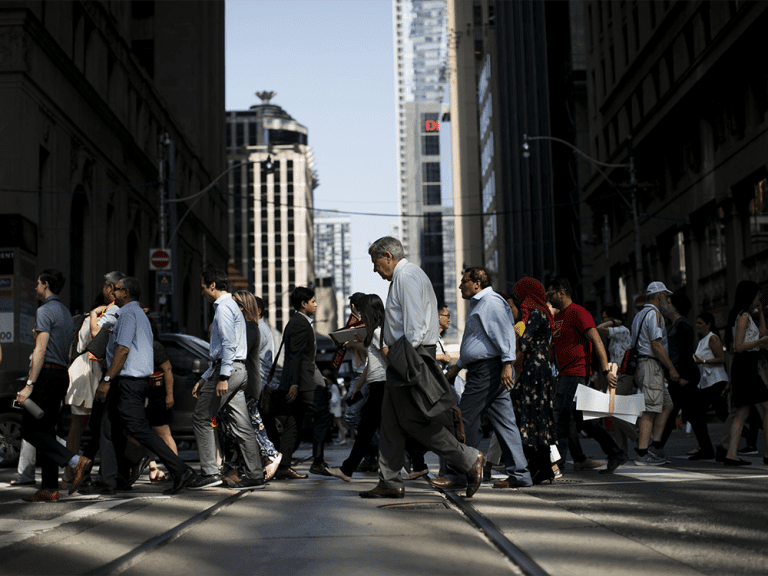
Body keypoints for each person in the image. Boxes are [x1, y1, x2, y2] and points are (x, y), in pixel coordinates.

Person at [359, 237, 483, 499]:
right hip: (405, 354)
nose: (374, 268)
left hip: (409, 354)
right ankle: (390, 481)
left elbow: (414, 328)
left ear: (388, 256)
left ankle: (469, 459)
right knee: (391, 423)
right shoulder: (407, 276)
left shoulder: (407, 277)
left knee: (413, 421)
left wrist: (399, 357)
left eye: (375, 261)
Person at [83, 277, 196, 496]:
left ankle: (181, 470)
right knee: (107, 429)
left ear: (125, 292)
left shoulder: (126, 314)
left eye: (116, 290)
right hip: (128, 382)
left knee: (140, 429)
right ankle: (107, 481)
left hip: (128, 382)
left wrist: (106, 380)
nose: (113, 293)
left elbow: (123, 349)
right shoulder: (140, 315)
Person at [435, 267, 532, 490]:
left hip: (488, 371)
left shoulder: (491, 302)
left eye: (464, 281)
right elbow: (478, 341)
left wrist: (507, 364)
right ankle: (520, 473)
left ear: (477, 282)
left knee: (464, 419)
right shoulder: (480, 304)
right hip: (488, 369)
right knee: (505, 423)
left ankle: (459, 474)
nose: (460, 286)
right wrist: (457, 366)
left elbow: (505, 333)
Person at [16, 269, 90, 502]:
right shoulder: (66, 313)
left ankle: (76, 460)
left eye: (38, 283)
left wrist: (30, 384)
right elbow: (68, 350)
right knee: (47, 430)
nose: (35, 287)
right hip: (61, 374)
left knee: (29, 429)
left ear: (46, 285)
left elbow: (40, 349)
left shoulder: (45, 310)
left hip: (47, 374)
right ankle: (49, 488)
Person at [190, 268, 266, 490]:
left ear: (212, 285)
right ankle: (255, 474)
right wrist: (207, 377)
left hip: (229, 371)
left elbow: (228, 345)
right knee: (242, 426)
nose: (202, 292)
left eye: (203, 287)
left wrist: (221, 376)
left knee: (202, 417)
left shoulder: (223, 307)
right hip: (238, 371)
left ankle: (209, 472)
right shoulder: (233, 306)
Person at [546, 276, 627, 474]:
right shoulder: (557, 318)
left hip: (576, 374)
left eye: (551, 293)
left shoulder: (578, 313)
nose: (548, 297)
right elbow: (554, 349)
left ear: (562, 292)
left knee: (560, 418)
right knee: (584, 421)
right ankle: (615, 453)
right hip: (564, 375)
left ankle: (557, 465)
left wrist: (606, 370)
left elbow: (597, 341)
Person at [273, 286, 334, 479]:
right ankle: (317, 462)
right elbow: (296, 356)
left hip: (300, 379)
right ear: (303, 303)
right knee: (323, 414)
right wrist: (295, 384)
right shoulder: (299, 323)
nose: (316, 305)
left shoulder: (298, 322)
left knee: (293, 422)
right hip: (304, 382)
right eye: (313, 302)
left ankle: (283, 466)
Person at [327, 294, 389, 482]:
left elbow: (389, 359)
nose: (360, 314)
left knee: (371, 429)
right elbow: (371, 364)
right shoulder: (376, 332)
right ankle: (348, 469)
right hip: (375, 383)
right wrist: (357, 387)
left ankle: (417, 464)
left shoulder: (378, 332)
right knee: (367, 429)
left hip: (381, 385)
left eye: (363, 311)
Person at [223, 290, 282, 482]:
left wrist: (262, 385)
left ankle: (270, 455)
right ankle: (234, 469)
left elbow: (247, 357)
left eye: (235, 305)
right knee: (236, 426)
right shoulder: (250, 327)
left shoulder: (252, 328)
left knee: (248, 425)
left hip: (248, 383)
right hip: (249, 382)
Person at [507, 278, 558, 485]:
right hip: (539, 369)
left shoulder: (535, 313)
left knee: (529, 414)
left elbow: (525, 342)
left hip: (534, 370)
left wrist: (514, 336)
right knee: (537, 416)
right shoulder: (540, 312)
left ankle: (541, 467)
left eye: (521, 295)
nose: (520, 300)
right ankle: (542, 467)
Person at [629, 281, 678, 466]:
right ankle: (642, 454)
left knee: (667, 404)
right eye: (666, 296)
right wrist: (671, 368)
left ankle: (655, 446)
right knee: (649, 410)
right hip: (650, 365)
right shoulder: (655, 315)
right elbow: (656, 345)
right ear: (659, 296)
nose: (667, 300)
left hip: (647, 366)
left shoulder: (639, 315)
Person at [723, 281, 768, 466]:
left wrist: (761, 313)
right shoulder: (742, 317)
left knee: (742, 411)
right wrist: (759, 343)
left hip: (746, 367)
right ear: (749, 296)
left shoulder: (748, 315)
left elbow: (762, 333)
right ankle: (766, 453)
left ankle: (731, 454)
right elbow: (738, 346)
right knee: (766, 408)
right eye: (757, 295)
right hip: (746, 367)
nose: (759, 298)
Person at [657, 294, 702, 455]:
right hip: (679, 375)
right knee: (689, 413)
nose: (666, 305)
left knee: (671, 411)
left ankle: (656, 447)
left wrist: (684, 376)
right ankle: (707, 448)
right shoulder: (677, 324)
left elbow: (685, 353)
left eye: (668, 303)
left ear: (675, 307)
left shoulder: (682, 324)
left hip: (683, 376)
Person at [596, 304, 638, 455]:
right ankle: (621, 451)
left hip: (625, 374)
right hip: (615, 374)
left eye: (605, 317)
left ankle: (638, 438)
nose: (603, 320)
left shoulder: (622, 330)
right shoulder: (615, 334)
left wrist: (613, 322)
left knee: (613, 409)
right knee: (615, 412)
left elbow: (599, 328)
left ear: (612, 317)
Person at [687, 312, 728, 460]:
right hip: (706, 383)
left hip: (716, 381)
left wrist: (702, 362)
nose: (697, 325)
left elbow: (722, 358)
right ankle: (706, 448)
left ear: (708, 324)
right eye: (697, 323)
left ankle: (706, 449)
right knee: (721, 414)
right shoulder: (702, 341)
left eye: (700, 323)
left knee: (698, 414)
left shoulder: (712, 338)